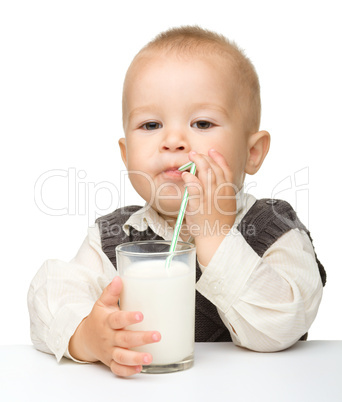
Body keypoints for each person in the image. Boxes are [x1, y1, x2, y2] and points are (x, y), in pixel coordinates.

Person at [28, 26, 325, 377]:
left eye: (201, 122)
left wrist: (215, 237)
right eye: (151, 125)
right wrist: (87, 336)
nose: (173, 141)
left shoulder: (275, 229)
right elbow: (50, 295)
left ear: (252, 152)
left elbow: (283, 324)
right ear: (126, 155)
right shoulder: (116, 238)